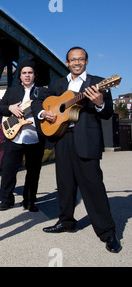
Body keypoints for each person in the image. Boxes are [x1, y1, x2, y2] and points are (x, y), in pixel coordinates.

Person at [40, 47, 122, 253]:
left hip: (87, 138)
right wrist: (43, 113)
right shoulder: (58, 84)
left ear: (87, 61)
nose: (77, 63)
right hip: (62, 138)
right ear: (67, 62)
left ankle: (108, 232)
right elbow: (42, 103)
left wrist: (100, 103)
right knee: (65, 184)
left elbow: (107, 114)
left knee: (93, 186)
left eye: (81, 59)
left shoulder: (99, 82)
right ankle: (66, 221)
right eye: (72, 60)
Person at [0, 60, 49, 212]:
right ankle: (6, 200)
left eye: (30, 73)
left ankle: (30, 201)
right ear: (20, 76)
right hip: (15, 136)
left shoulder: (44, 92)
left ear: (35, 75)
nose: (27, 75)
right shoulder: (12, 91)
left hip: (35, 137)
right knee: (8, 170)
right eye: (24, 73)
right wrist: (10, 108)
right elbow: (0, 108)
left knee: (33, 172)